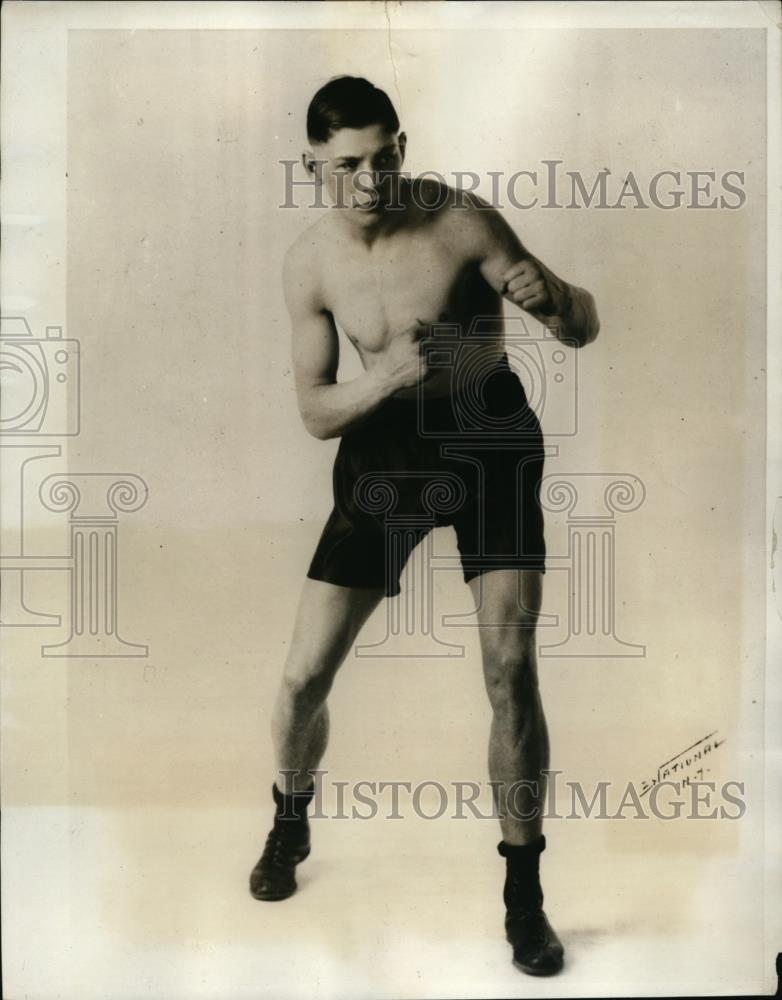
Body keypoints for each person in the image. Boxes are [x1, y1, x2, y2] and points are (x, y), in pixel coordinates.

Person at [249, 76, 599, 977]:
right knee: (301, 679)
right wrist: (387, 381)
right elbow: (319, 414)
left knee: (510, 668)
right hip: (384, 453)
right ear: (314, 165)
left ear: (404, 144)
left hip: (489, 434)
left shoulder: (463, 221)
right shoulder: (309, 263)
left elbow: (581, 328)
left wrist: (551, 291)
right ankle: (291, 819)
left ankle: (525, 898)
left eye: (388, 154)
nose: (374, 179)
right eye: (351, 164)